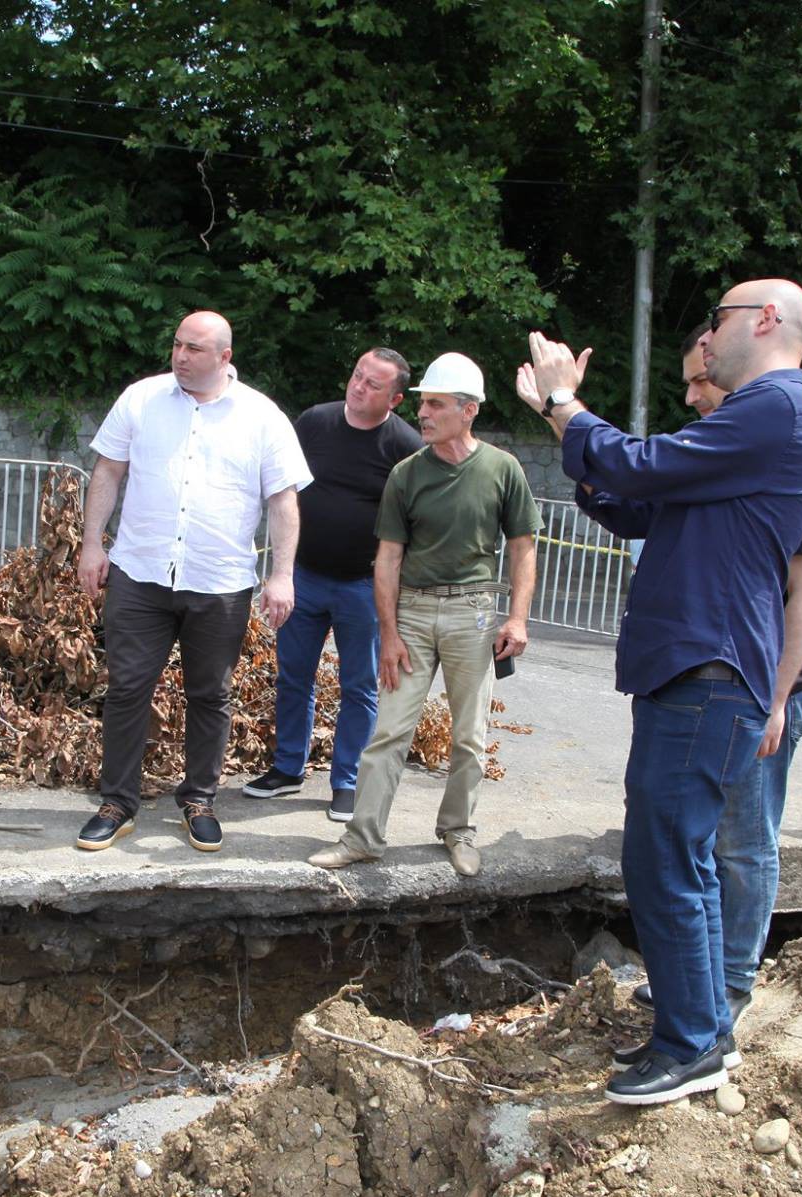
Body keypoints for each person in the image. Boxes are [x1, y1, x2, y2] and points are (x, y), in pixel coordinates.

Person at [517, 279, 802, 1107]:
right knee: (669, 855)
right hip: (693, 669)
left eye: (720, 319)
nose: (710, 339)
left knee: (667, 859)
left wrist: (566, 403)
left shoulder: (778, 408)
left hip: (709, 670)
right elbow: (633, 502)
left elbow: (640, 464)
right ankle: (699, 1029)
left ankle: (691, 1042)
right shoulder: (756, 424)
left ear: (763, 321)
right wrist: (565, 422)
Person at [621, 328, 802, 1026]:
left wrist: (776, 698)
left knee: (743, 840)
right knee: (701, 841)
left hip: (763, 681)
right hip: (733, 674)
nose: (691, 397)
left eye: (702, 383)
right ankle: (701, 985)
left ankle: (732, 985)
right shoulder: (723, 463)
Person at [73, 311, 312, 854]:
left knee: (211, 693)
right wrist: (92, 544)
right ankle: (117, 803)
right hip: (140, 573)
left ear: (225, 357)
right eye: (177, 344)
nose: (181, 356)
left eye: (195, 349)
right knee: (128, 688)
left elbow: (282, 500)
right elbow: (108, 471)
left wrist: (281, 575)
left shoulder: (263, 417)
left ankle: (199, 799)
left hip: (219, 582)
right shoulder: (141, 399)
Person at [307, 353, 538, 877]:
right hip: (411, 612)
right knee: (389, 732)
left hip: (475, 613)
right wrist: (388, 634)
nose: (424, 414)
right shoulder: (405, 475)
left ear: (469, 410)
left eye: (435, 404)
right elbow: (387, 558)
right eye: (423, 404)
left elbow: (523, 547)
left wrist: (517, 618)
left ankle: (458, 831)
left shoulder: (502, 469)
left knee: (470, 735)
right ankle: (362, 837)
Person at [241, 349, 423, 822]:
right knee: (292, 677)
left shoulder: (404, 444)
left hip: (364, 586)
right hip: (302, 575)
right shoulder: (314, 422)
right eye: (357, 375)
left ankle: (347, 781)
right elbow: (284, 487)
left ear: (395, 398)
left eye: (372, 384)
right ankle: (287, 769)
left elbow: (414, 520)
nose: (359, 386)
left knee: (360, 685)